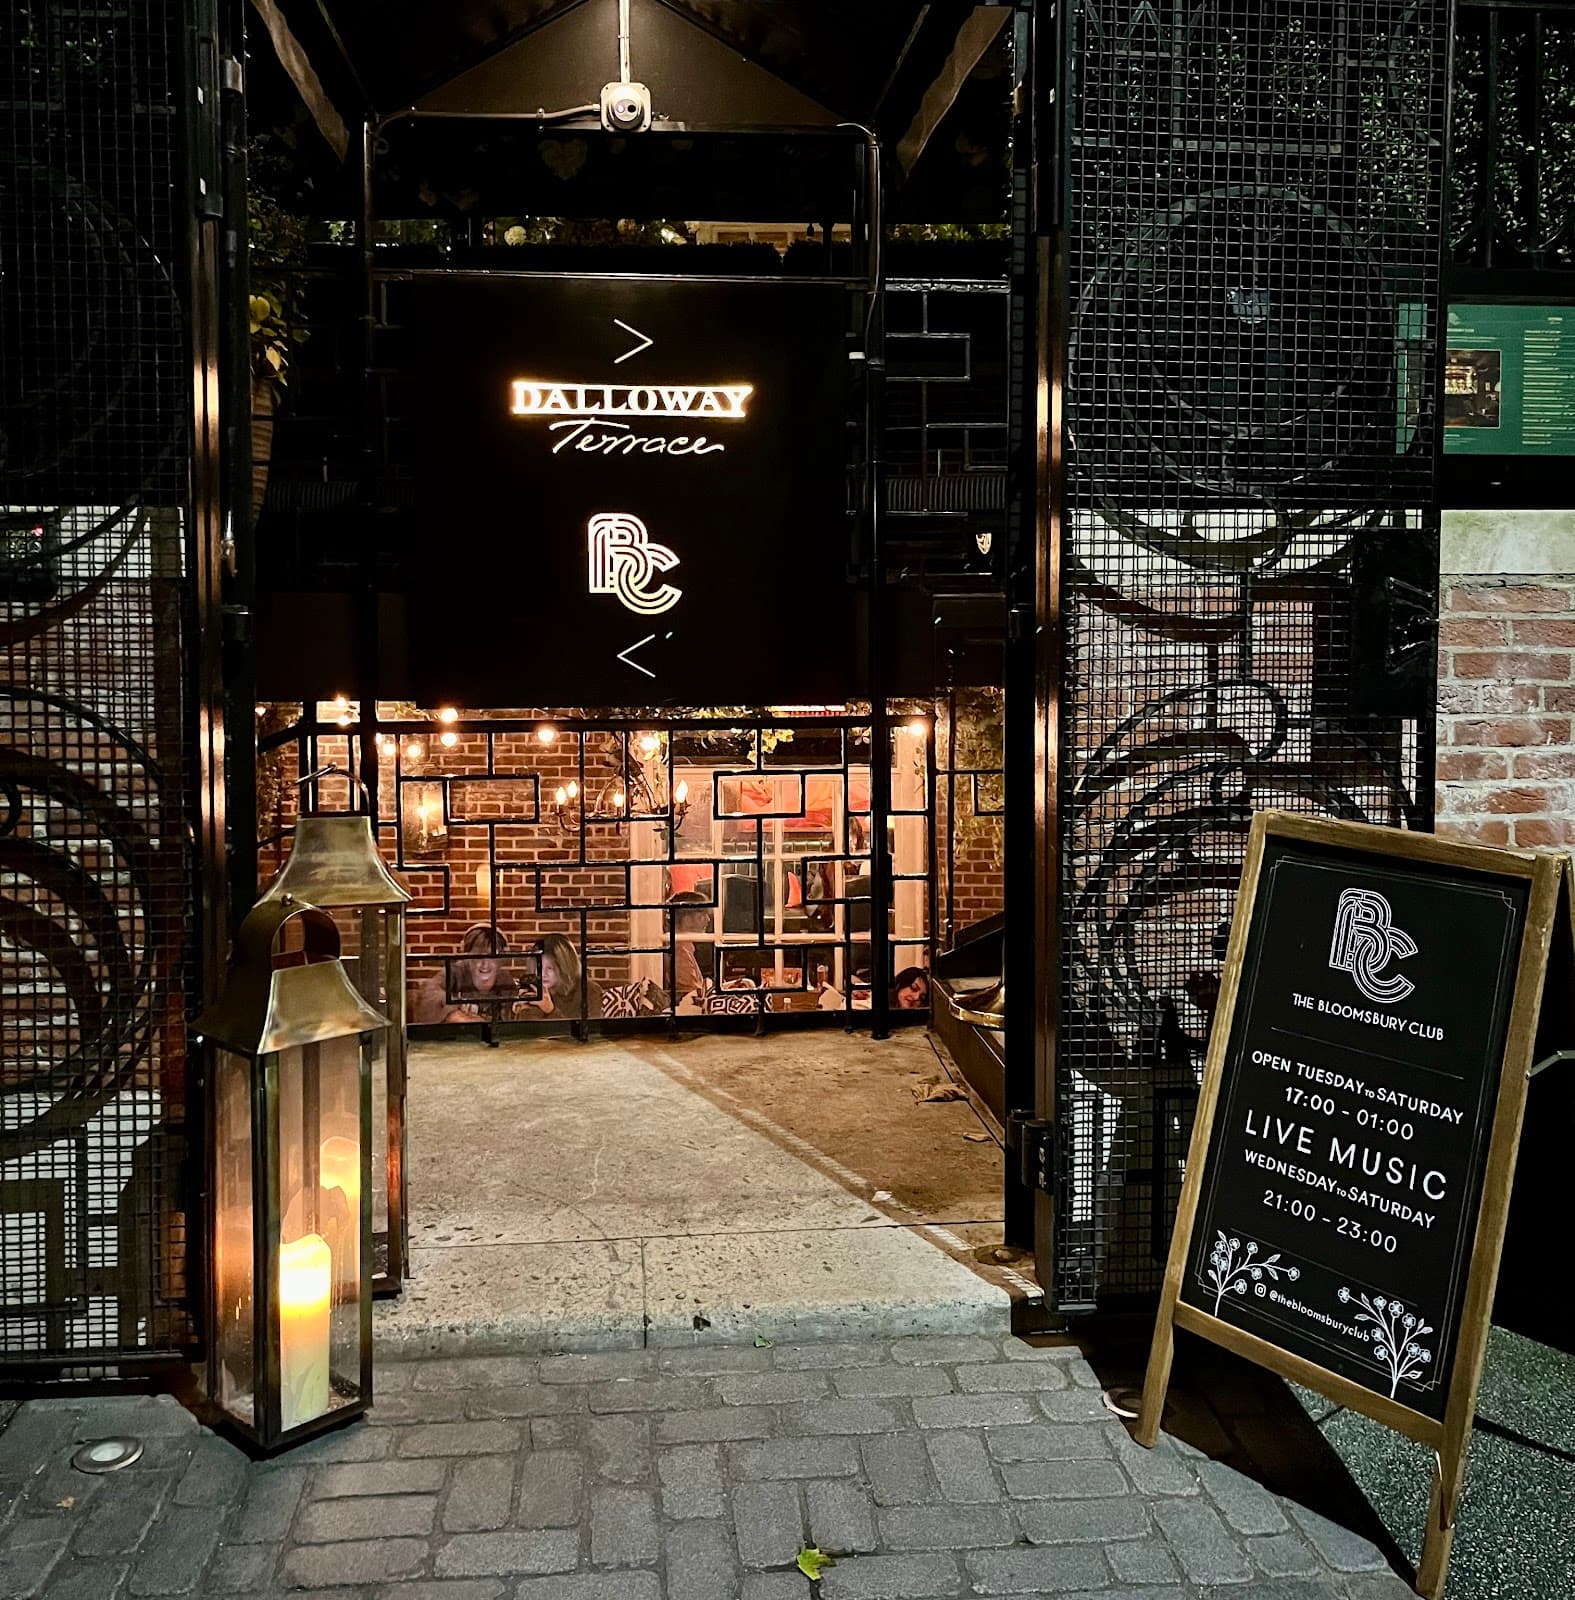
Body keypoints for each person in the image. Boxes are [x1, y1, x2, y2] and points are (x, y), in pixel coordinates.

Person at [527, 933, 602, 1019]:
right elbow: (526, 1030)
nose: (543, 974)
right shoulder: (532, 990)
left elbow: (589, 1030)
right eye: (539, 967)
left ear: (564, 967)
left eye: (550, 968)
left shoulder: (589, 990)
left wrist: (551, 1010)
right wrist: (517, 1012)